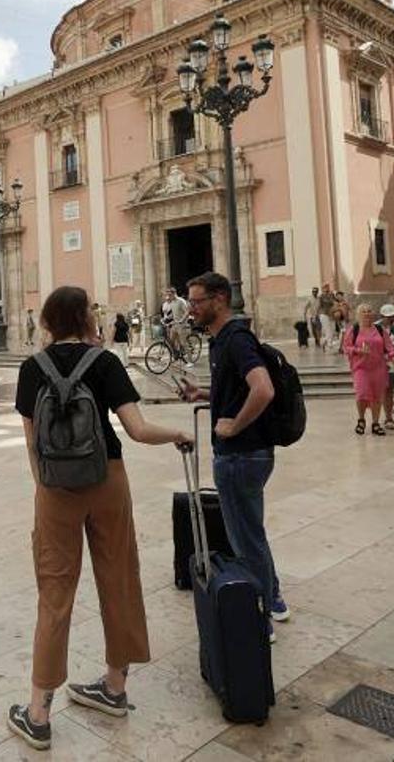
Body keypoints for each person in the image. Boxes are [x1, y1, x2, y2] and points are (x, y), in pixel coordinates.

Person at [6, 285, 192, 751]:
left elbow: (32, 443)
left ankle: (38, 713)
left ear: (48, 321)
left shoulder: (32, 369)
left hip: (54, 488)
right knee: (119, 577)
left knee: (54, 593)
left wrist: (45, 489)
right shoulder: (104, 363)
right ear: (87, 319)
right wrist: (177, 434)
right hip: (107, 479)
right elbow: (138, 429)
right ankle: (114, 687)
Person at [179, 271, 289, 643]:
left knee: (245, 541)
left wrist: (234, 426)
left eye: (196, 301)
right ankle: (273, 599)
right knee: (251, 533)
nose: (191, 308)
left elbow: (263, 389)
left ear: (220, 299)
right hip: (245, 454)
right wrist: (205, 396)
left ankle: (261, 618)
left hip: (241, 455)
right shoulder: (221, 341)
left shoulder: (236, 340)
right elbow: (237, 391)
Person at [342, 304, 394, 437]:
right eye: (363, 312)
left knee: (377, 397)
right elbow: (346, 348)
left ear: (373, 314)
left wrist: (392, 357)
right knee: (362, 394)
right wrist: (358, 351)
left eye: (369, 311)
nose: (366, 314)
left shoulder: (379, 329)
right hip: (360, 368)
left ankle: (375, 423)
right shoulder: (353, 330)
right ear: (358, 314)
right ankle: (361, 419)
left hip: (378, 368)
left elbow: (388, 346)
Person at [161, 288, 189, 354]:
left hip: (182, 324)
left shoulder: (181, 301)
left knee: (183, 343)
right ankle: (176, 354)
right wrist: (166, 319)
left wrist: (182, 320)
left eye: (170, 295)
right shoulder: (172, 302)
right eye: (168, 295)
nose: (169, 297)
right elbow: (173, 314)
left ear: (174, 294)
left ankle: (189, 360)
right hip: (175, 324)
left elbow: (187, 312)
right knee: (171, 341)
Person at [317, 283, 337, 351]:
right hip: (324, 314)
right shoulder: (321, 296)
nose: (327, 288)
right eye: (325, 287)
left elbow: (335, 302)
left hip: (331, 314)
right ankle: (329, 345)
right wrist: (316, 316)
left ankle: (323, 342)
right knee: (328, 330)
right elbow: (319, 306)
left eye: (327, 287)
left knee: (333, 330)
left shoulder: (332, 295)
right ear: (322, 288)